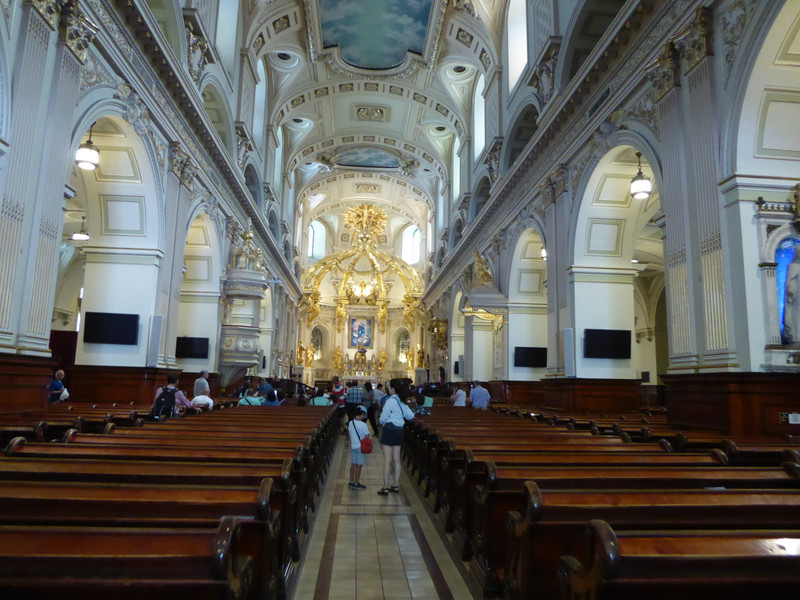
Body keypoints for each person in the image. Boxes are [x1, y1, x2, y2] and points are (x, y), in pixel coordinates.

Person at [377, 378, 414, 496]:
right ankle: (396, 484)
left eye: (389, 386)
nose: (388, 388)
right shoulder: (402, 401)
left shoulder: (390, 401)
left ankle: (385, 486)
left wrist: (383, 421)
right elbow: (410, 415)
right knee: (397, 459)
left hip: (389, 430)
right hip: (399, 430)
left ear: (393, 388)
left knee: (387, 460)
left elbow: (383, 417)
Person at [348, 405, 370, 489]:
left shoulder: (351, 422)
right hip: (361, 447)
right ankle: (357, 483)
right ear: (360, 414)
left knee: (353, 464)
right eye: (363, 414)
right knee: (359, 465)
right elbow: (367, 435)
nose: (363, 416)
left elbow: (349, 433)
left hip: (353, 445)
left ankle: (351, 481)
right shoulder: (363, 425)